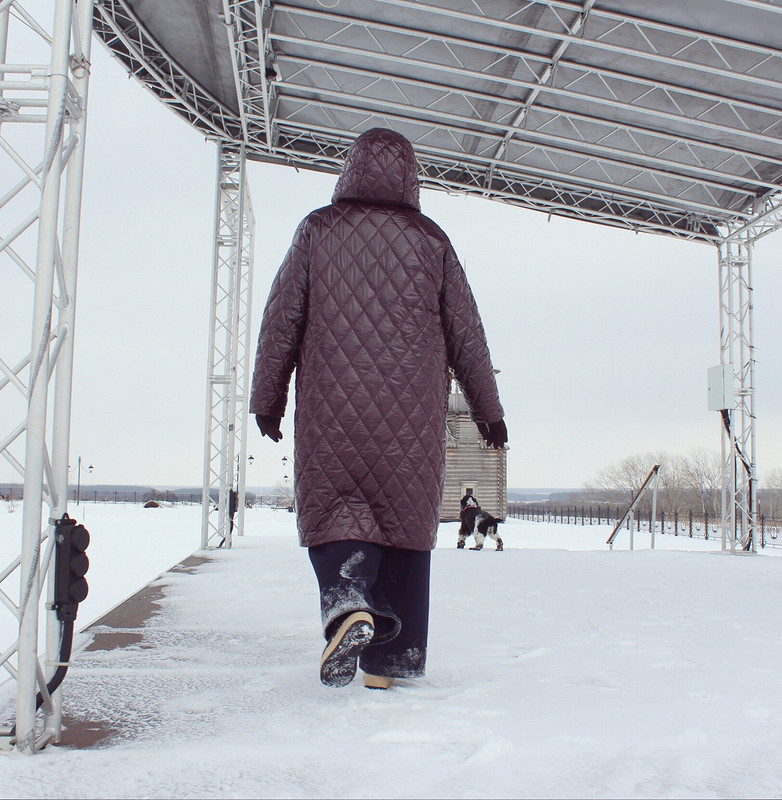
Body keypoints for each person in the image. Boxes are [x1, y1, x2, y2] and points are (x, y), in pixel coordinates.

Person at [250, 127, 507, 689]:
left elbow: (281, 319)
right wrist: (489, 410)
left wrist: (267, 397)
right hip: (410, 424)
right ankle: (392, 661)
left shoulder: (317, 230)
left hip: (330, 413)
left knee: (336, 513)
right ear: (412, 177)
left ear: (349, 171)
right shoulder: (431, 240)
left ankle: (347, 604)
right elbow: (467, 332)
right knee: (405, 526)